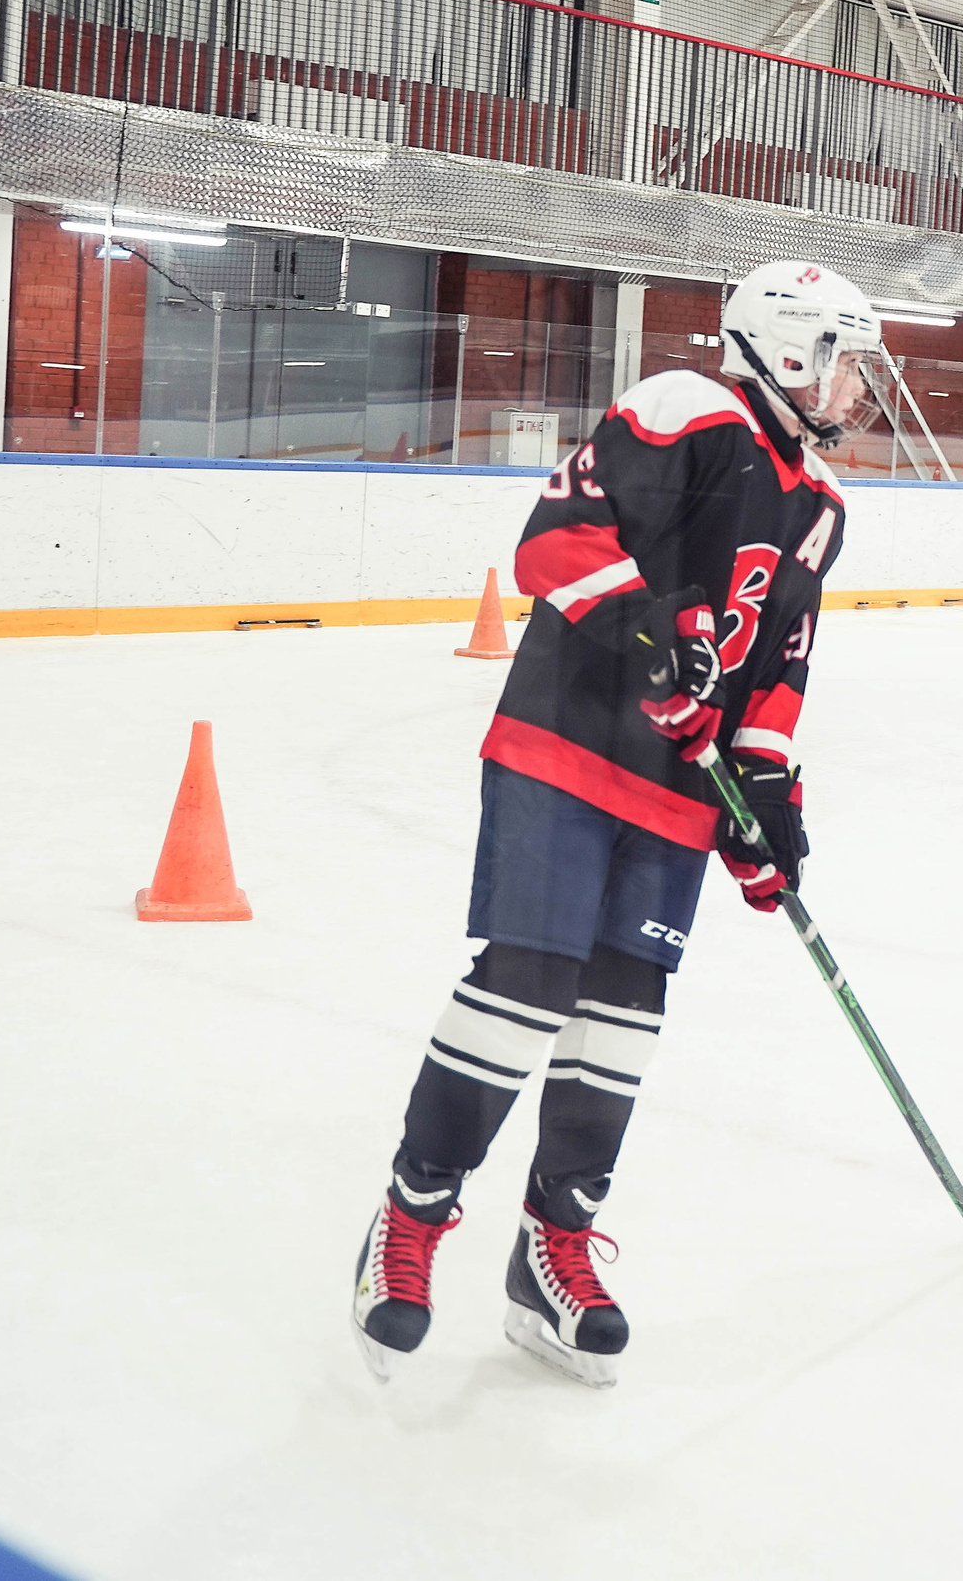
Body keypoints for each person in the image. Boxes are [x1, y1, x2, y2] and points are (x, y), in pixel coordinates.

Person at [350, 262, 883, 1387]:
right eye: (846, 361)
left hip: (678, 792)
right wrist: (649, 628)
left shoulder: (823, 509)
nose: (859, 388)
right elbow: (554, 543)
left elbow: (776, 666)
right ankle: (412, 1214)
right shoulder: (685, 409)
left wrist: (767, 794)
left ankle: (553, 1242)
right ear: (789, 351)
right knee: (528, 978)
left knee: (625, 1011)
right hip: (566, 744)